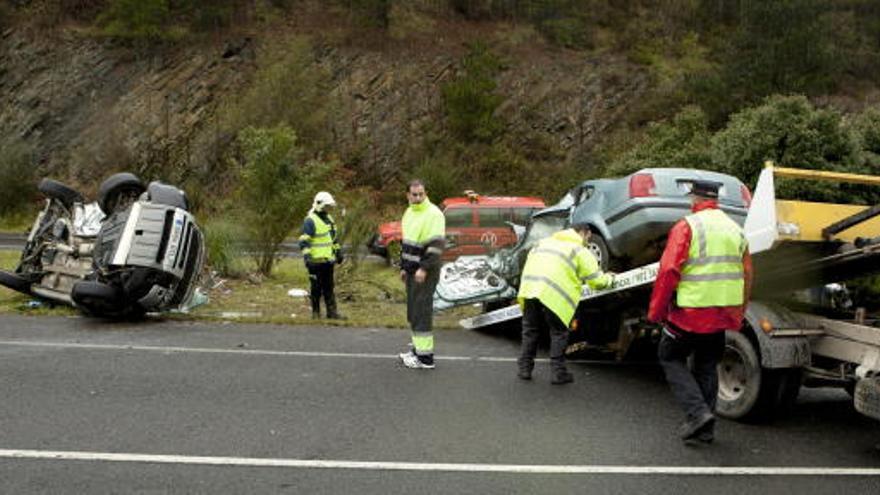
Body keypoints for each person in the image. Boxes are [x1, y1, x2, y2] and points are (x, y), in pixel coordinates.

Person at [648, 179, 753, 444]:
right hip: (721, 315)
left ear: (695, 198)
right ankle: (705, 430)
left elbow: (668, 271)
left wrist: (657, 312)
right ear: (715, 199)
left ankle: (697, 415)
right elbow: (748, 273)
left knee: (669, 356)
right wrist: (739, 312)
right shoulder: (735, 229)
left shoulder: (688, 226)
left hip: (690, 313)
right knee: (707, 366)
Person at [517, 223, 614, 384]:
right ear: (584, 233)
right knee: (559, 332)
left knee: (530, 330)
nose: (587, 242)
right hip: (553, 294)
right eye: (588, 238)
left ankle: (524, 369)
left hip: (529, 288)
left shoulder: (543, 243)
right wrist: (611, 278)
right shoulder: (579, 250)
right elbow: (597, 282)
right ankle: (558, 373)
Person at [398, 180, 445, 369]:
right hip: (411, 270)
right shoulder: (409, 212)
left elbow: (436, 246)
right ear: (407, 195)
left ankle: (426, 358)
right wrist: (403, 267)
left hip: (425, 271)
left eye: (421, 194)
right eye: (414, 194)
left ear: (425, 193)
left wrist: (423, 268)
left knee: (421, 312)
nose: (418, 198)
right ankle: (417, 350)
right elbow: (406, 243)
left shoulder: (434, 214)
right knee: (413, 311)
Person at [299, 191, 345, 320]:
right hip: (315, 262)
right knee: (316, 289)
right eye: (327, 206)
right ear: (319, 204)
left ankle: (332, 313)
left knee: (329, 288)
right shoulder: (310, 220)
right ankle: (316, 313)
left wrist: (338, 251)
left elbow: (333, 239)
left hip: (328, 261)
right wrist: (307, 258)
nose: (328, 209)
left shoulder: (329, 219)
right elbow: (304, 241)